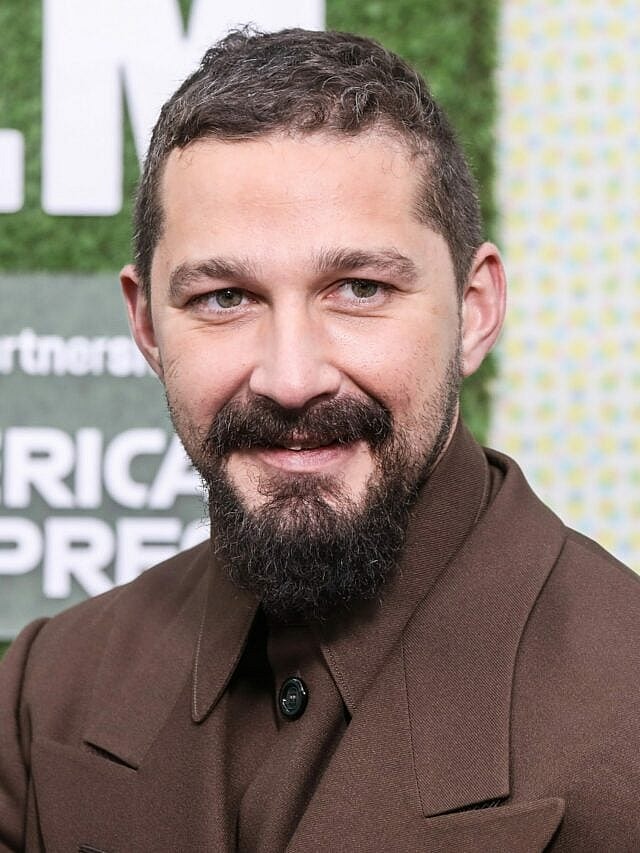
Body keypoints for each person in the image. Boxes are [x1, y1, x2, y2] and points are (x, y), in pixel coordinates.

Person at [1, 27, 638, 853]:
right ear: (147, 325)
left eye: (360, 288)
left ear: (475, 310)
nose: (291, 377)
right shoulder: (44, 689)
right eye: (225, 298)